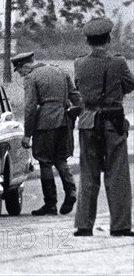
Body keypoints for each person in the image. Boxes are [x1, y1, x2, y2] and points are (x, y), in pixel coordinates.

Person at [73, 17, 134, 237]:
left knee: (88, 173)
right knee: (117, 173)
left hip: (89, 121)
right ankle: (120, 225)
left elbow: (79, 86)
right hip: (113, 122)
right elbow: (130, 83)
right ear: (108, 38)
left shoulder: (79, 63)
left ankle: (83, 225)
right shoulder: (118, 62)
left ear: (88, 41)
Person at [12, 51, 82, 216]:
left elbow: (30, 108)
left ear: (25, 65)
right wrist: (80, 112)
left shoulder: (31, 77)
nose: (21, 75)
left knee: (44, 161)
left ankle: (50, 204)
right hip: (65, 121)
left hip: (45, 123)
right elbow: (75, 96)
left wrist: (27, 134)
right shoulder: (61, 71)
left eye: (19, 70)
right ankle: (71, 191)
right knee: (61, 158)